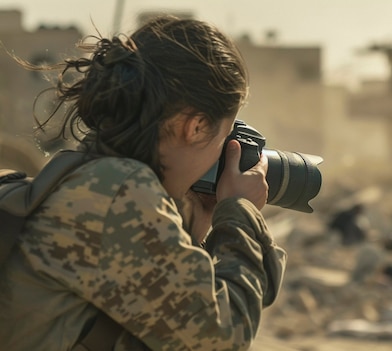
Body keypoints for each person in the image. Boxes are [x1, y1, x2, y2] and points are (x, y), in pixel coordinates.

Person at [0, 16, 287, 350]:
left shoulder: (91, 176)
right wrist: (240, 213)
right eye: (224, 139)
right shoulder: (119, 191)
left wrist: (200, 227)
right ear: (194, 128)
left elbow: (164, 313)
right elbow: (224, 337)